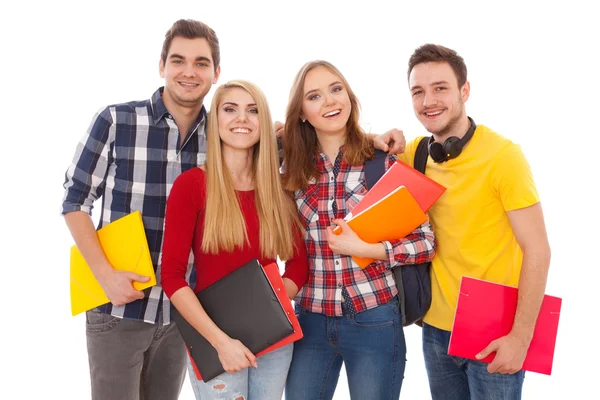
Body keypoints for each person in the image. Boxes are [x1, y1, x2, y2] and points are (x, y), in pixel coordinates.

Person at [61, 19, 221, 400]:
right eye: (178, 60)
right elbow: (75, 200)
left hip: (182, 313)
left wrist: (374, 141)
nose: (188, 71)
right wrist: (104, 275)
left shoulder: (223, 135)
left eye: (201, 63)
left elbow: (289, 152)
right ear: (162, 65)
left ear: (216, 72)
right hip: (119, 307)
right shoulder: (117, 121)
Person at [396, 44, 551, 399]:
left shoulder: (503, 156)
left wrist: (521, 337)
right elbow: (357, 153)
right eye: (418, 91)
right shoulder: (417, 152)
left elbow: (538, 249)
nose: (428, 100)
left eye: (440, 88)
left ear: (465, 91)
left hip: (494, 331)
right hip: (434, 328)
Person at [281, 60, 437, 400]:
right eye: (315, 96)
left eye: (336, 90)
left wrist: (370, 249)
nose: (330, 101)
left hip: (374, 318)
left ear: (349, 97)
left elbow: (425, 242)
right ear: (302, 113)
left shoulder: (382, 163)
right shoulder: (290, 171)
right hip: (310, 320)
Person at [160, 79, 309, 399]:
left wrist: (267, 311)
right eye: (230, 109)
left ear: (263, 123)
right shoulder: (192, 186)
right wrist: (221, 342)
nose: (242, 118)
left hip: (275, 340)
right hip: (214, 340)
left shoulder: (279, 189)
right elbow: (171, 277)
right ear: (216, 123)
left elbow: (298, 265)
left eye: (252, 110)